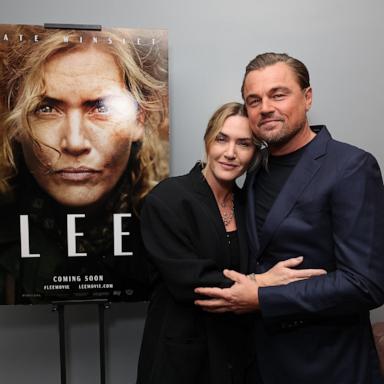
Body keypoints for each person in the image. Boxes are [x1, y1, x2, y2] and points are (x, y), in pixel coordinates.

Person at [195, 52, 384, 383]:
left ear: (307, 97)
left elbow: (365, 284)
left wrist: (262, 297)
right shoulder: (252, 169)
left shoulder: (351, 166)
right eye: (253, 100)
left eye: (278, 94)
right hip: (259, 361)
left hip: (327, 365)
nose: (265, 107)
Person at [137, 102, 326, 384]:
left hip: (238, 356)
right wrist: (259, 283)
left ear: (255, 154)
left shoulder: (248, 204)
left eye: (244, 144)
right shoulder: (168, 199)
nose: (230, 153)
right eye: (222, 139)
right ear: (207, 141)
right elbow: (190, 281)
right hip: (181, 359)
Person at [0, 25, 168, 304]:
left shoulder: (167, 231)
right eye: (46, 108)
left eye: (101, 107)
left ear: (139, 119)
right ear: (17, 123)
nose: (75, 142)